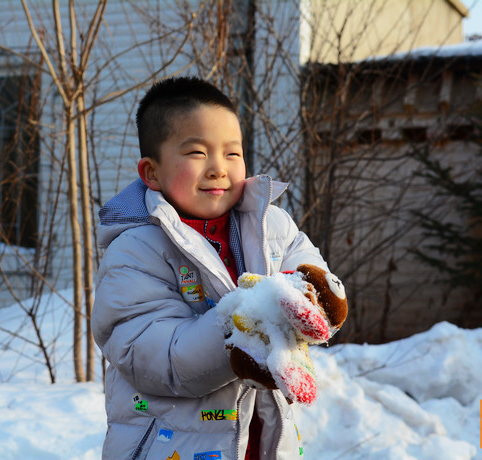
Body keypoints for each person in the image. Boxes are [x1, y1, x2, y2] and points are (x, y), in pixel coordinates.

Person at [91, 76, 330, 459]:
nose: (219, 168)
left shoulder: (271, 226)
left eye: (232, 153)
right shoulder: (135, 251)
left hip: (262, 441)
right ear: (152, 172)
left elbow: (311, 274)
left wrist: (311, 297)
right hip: (173, 446)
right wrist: (238, 332)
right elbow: (154, 355)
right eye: (198, 153)